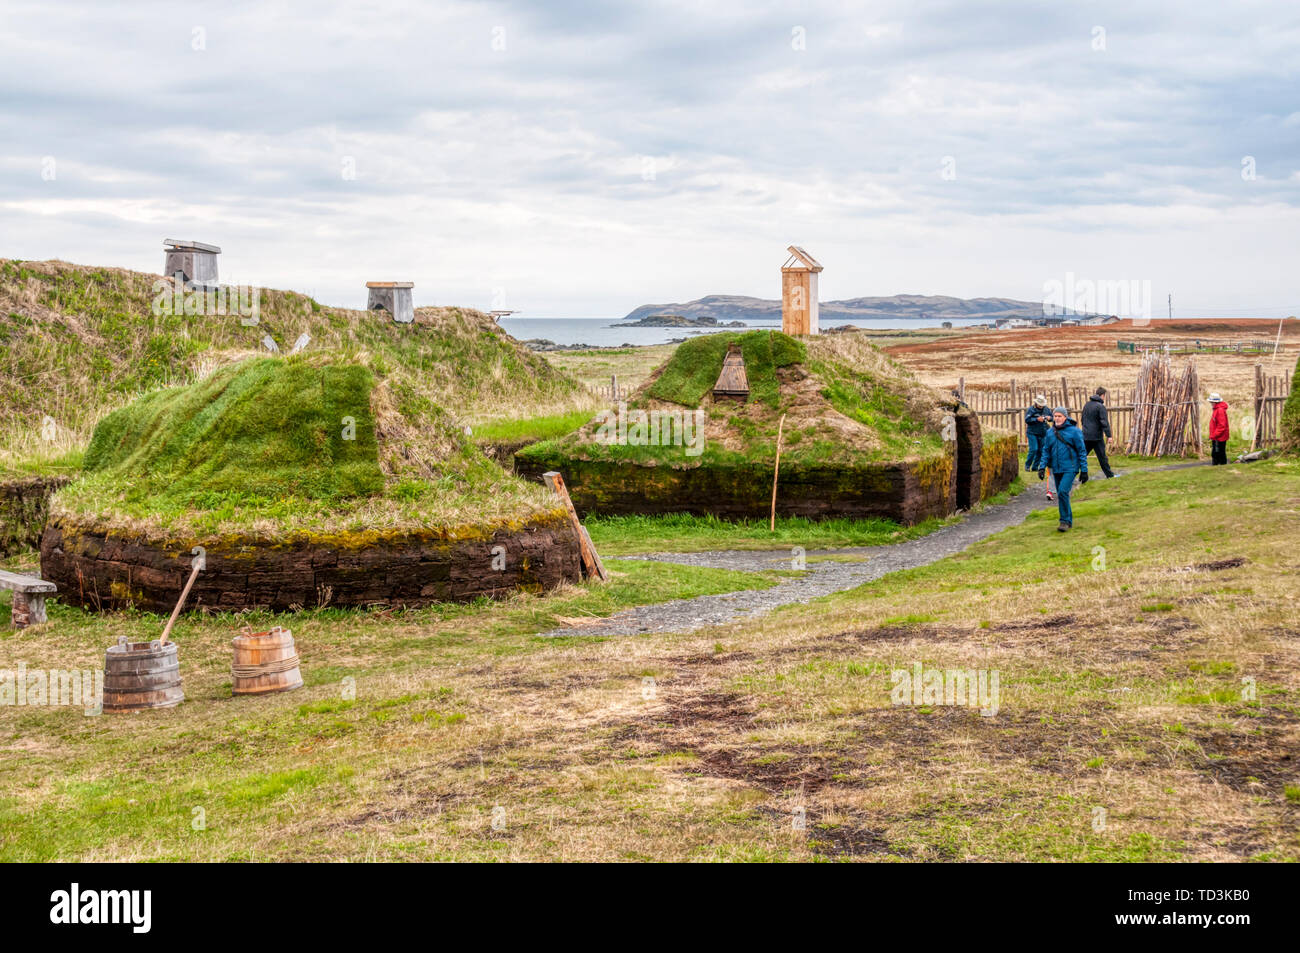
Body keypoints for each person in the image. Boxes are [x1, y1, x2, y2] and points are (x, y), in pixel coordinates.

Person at [1040, 407, 1088, 532]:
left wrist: (1084, 470)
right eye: (1055, 416)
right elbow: (1046, 450)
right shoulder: (1050, 432)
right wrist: (1041, 467)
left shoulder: (1074, 432)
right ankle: (1068, 519)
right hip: (1056, 468)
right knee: (1062, 494)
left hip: (1070, 468)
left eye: (1060, 416)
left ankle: (1064, 521)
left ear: (1065, 417)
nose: (1057, 418)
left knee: (1062, 492)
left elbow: (1082, 451)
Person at [1079, 387, 1116, 478]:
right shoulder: (1100, 406)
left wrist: (1085, 430)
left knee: (1082, 456)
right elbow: (1104, 422)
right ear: (1102, 395)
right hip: (1096, 437)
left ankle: (1075, 474)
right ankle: (1110, 475)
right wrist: (1109, 435)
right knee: (1102, 457)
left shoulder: (1086, 405)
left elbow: (1082, 419)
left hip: (1086, 435)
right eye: (1104, 396)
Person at [1024, 395, 1051, 475]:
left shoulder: (1046, 409)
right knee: (1034, 449)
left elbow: (1052, 417)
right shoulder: (1031, 410)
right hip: (1032, 432)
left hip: (1043, 432)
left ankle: (1035, 467)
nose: (1041, 406)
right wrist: (1036, 419)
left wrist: (1050, 418)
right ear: (1036, 403)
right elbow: (1027, 420)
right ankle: (1027, 465)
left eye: (1042, 405)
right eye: (1040, 405)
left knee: (1041, 450)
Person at [1208, 393, 1229, 465]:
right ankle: (1218, 465)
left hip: (1220, 437)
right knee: (1216, 452)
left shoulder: (1219, 410)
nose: (1211, 403)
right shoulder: (1217, 409)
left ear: (1215, 402)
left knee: (1218, 453)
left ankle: (1220, 466)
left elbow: (1221, 426)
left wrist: (1214, 435)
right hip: (1217, 436)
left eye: (1211, 402)